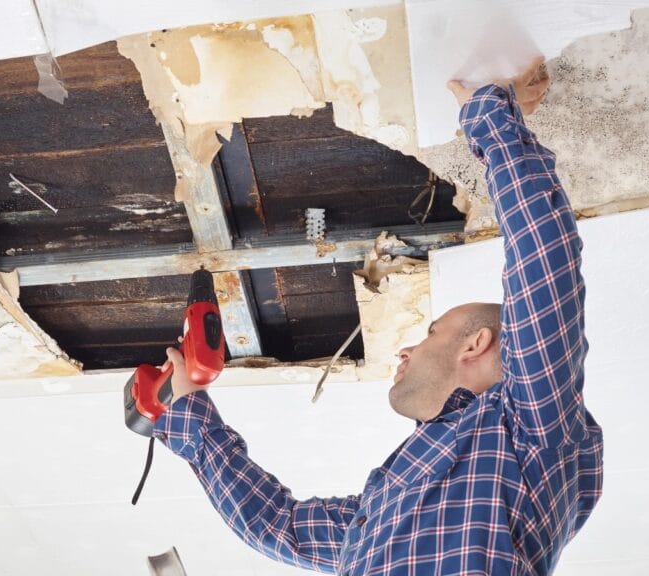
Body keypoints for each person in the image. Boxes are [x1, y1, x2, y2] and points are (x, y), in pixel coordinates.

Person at [154, 57, 603, 575]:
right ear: (475, 344)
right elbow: (543, 256)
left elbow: (278, 528)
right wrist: (492, 119)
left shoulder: (532, 430)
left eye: (427, 333)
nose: (406, 350)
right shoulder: (397, 500)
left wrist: (189, 416)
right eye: (430, 332)